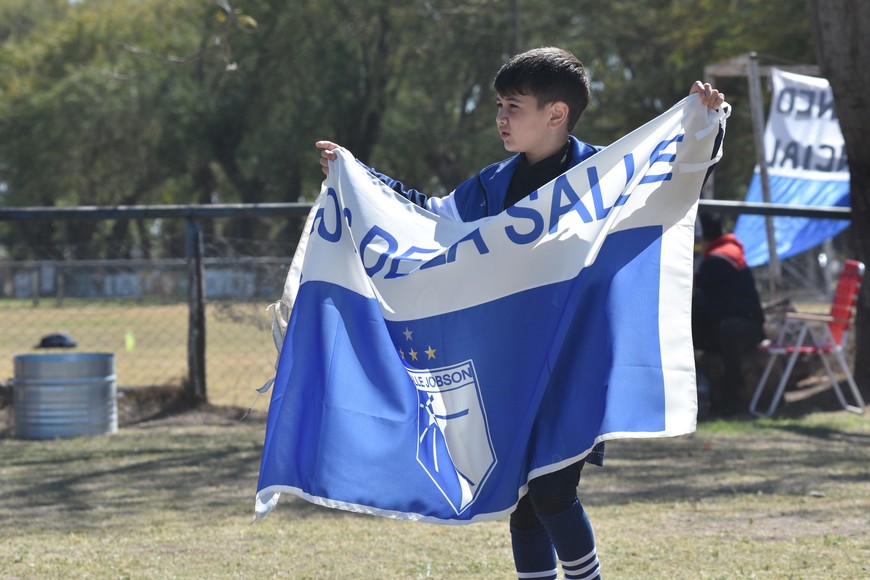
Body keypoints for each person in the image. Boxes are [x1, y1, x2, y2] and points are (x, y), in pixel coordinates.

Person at [317, 47, 724, 580]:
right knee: (523, 497)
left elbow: (676, 178)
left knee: (554, 492)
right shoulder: (490, 185)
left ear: (556, 114)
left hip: (576, 361)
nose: (500, 117)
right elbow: (429, 219)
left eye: (514, 106)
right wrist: (356, 177)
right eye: (499, 105)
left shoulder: (606, 175)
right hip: (507, 366)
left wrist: (704, 125)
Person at [693, 212, 766, 418]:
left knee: (728, 329)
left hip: (743, 331)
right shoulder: (726, 251)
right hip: (736, 326)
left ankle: (731, 401)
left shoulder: (720, 258)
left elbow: (693, 288)